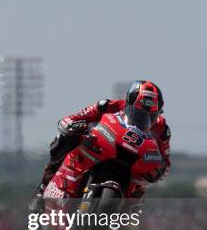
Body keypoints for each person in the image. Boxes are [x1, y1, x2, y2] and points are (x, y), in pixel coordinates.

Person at [31, 80, 171, 211]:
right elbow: (74, 118)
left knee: (140, 191)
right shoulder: (108, 105)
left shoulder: (162, 130)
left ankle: (121, 222)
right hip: (103, 146)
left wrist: (159, 167)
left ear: (158, 113)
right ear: (128, 104)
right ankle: (42, 190)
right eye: (137, 113)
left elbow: (165, 163)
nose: (143, 119)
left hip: (133, 164)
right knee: (63, 139)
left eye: (150, 115)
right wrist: (71, 125)